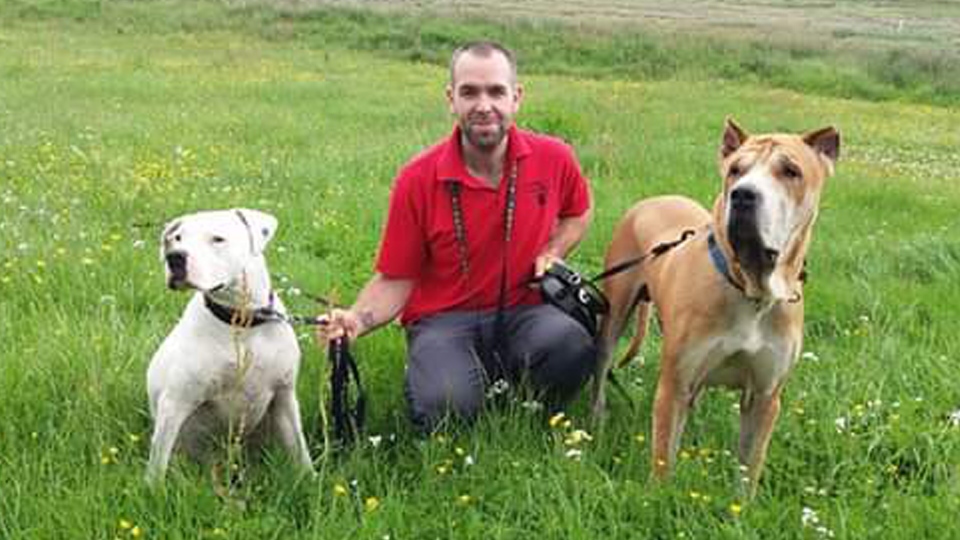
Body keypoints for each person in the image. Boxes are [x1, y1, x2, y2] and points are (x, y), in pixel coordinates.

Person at [317, 41, 596, 432]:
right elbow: (396, 278)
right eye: (469, 92)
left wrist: (554, 249)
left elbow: (578, 212)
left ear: (516, 98)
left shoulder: (555, 157)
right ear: (451, 99)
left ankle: (527, 409)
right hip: (444, 322)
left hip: (526, 310)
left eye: (496, 91)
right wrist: (357, 320)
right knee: (445, 409)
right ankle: (456, 380)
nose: (484, 105)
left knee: (573, 343)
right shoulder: (417, 179)